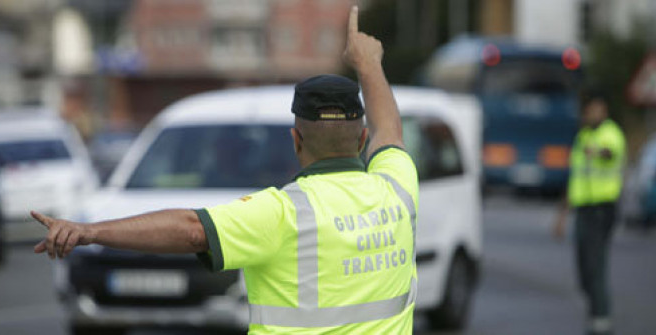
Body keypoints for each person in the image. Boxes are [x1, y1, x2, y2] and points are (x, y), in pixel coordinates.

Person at [30, 6, 419, 334]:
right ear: (362, 137)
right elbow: (391, 130)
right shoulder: (398, 189)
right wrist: (368, 64)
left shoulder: (286, 213)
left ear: (296, 140)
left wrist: (90, 231)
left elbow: (191, 229)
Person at [553, 88, 626, 335]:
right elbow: (575, 178)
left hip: (602, 209)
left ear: (603, 110)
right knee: (584, 268)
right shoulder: (583, 136)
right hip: (583, 209)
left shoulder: (610, 133)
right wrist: (562, 215)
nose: (589, 114)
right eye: (587, 110)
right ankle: (596, 313)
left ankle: (601, 320)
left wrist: (596, 151)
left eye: (594, 109)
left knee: (595, 265)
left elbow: (609, 153)